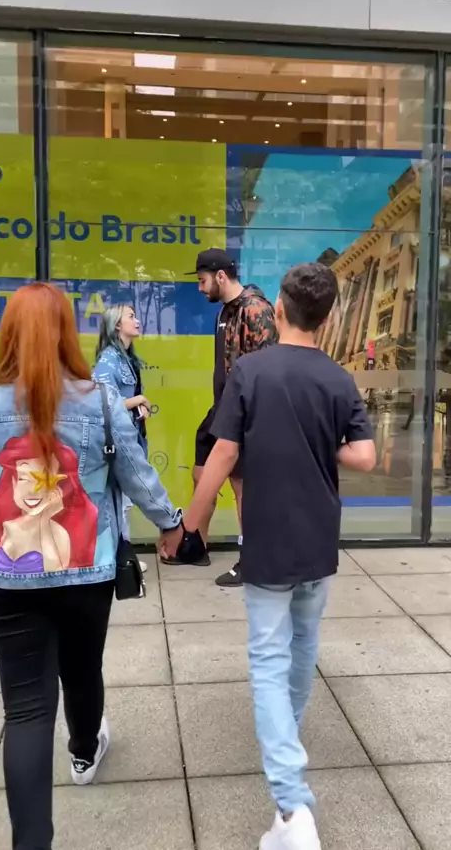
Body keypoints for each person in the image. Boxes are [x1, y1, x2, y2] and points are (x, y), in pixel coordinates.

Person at [163, 263, 376, 850]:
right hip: (318, 538)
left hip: (268, 537)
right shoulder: (337, 378)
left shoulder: (251, 372)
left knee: (267, 657)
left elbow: (223, 454)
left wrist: (189, 525)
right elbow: (364, 456)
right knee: (302, 648)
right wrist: (319, 440)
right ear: (327, 318)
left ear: (278, 311)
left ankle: (291, 803)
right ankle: (287, 742)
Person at [0, 283, 183, 850]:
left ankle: (31, 842)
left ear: (8, 335)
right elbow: (136, 473)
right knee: (82, 669)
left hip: (6, 577)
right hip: (85, 573)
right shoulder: (100, 400)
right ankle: (84, 753)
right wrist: (172, 522)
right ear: (68, 334)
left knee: (25, 711)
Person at [162, 248, 277, 586]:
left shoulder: (256, 310)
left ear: (221, 277)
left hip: (246, 415)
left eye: (202, 281)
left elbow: (269, 371)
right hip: (222, 409)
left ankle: (253, 559)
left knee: (243, 488)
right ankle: (195, 545)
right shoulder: (226, 310)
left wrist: (252, 422)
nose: (200, 288)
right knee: (202, 473)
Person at [94, 304, 150, 574]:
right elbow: (104, 402)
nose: (137, 321)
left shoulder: (127, 358)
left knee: (124, 501)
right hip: (118, 441)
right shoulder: (108, 361)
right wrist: (137, 400)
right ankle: (120, 558)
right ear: (117, 325)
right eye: (131, 317)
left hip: (131, 436)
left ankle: (122, 555)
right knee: (120, 502)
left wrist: (139, 407)